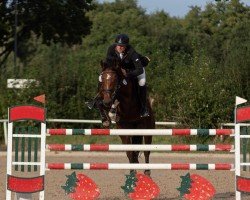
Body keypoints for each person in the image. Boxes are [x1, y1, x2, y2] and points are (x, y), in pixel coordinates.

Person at [86, 33, 150, 118]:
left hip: (135, 69)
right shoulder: (111, 49)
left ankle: (143, 108)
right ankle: (97, 99)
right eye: (118, 45)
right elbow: (108, 64)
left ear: (126, 46)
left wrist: (127, 74)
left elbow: (140, 69)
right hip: (119, 70)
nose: (119, 47)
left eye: (122, 46)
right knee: (101, 77)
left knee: (142, 82)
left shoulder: (132, 52)